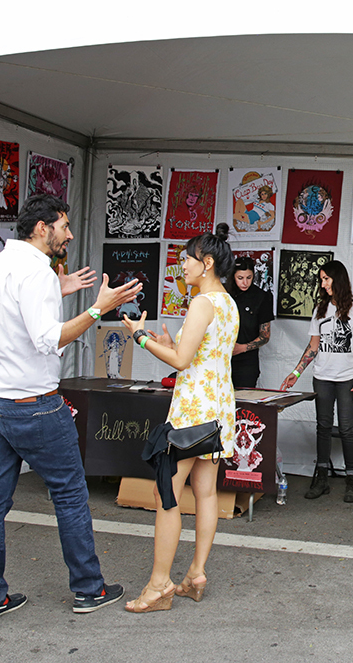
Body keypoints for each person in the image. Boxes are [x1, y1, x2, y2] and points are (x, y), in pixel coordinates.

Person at [0, 194, 143, 626]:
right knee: (69, 493)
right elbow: (51, 340)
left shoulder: (0, 266)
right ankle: (89, 589)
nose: (69, 233)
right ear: (42, 228)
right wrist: (97, 309)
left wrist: (59, 288)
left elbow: (17, 318)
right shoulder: (34, 273)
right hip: (32, 405)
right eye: (63, 225)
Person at [121, 223, 239, 612]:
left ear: (206, 263)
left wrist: (141, 337)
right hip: (218, 407)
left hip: (192, 410)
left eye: (185, 260)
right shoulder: (227, 302)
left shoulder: (202, 302)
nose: (181, 266)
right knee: (205, 491)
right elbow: (200, 356)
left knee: (165, 493)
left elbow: (181, 361)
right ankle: (196, 573)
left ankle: (159, 585)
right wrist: (170, 345)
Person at [280, 259, 353, 503]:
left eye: (326, 279)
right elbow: (313, 346)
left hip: (348, 378)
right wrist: (296, 372)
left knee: (346, 428)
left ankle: (352, 479)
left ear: (337, 279)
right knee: (322, 427)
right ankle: (321, 478)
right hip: (322, 378)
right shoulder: (320, 309)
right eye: (321, 280)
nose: (323, 284)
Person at [227, 256, 274, 388]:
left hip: (246, 363)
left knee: (245, 403)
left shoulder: (261, 297)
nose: (245, 283)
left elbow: (265, 336)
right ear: (233, 276)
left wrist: (242, 348)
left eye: (249, 277)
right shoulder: (224, 294)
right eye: (240, 278)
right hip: (221, 358)